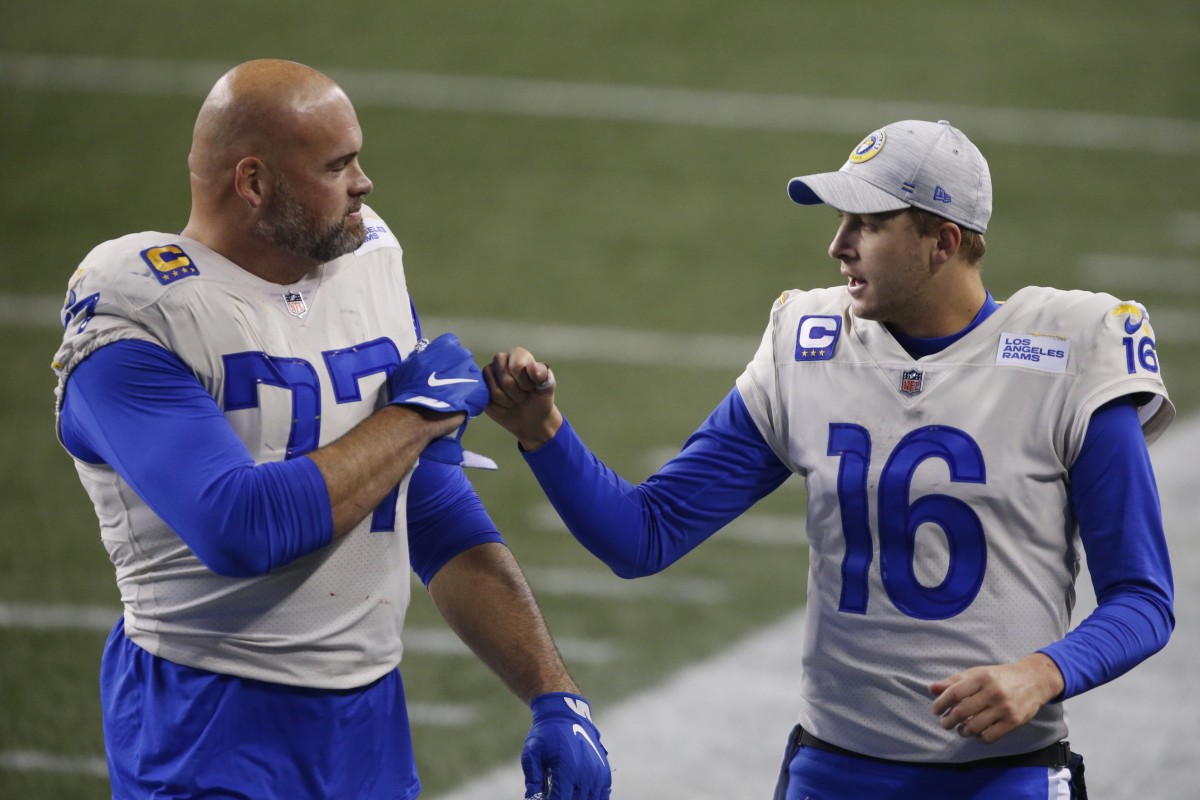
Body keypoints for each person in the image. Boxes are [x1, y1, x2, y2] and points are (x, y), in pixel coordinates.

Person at [483, 120, 1175, 799]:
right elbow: (642, 535)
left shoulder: (1070, 352)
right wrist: (544, 433)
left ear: (944, 241)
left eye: (866, 224)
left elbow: (1143, 600)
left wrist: (1041, 673)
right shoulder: (809, 344)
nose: (836, 245)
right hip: (833, 772)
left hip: (1005, 777)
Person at [51, 59, 610, 800]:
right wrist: (415, 415)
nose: (364, 182)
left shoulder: (366, 259)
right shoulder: (136, 309)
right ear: (254, 183)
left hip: (367, 719)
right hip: (204, 722)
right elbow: (239, 527)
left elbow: (428, 502)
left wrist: (552, 691)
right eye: (337, 164)